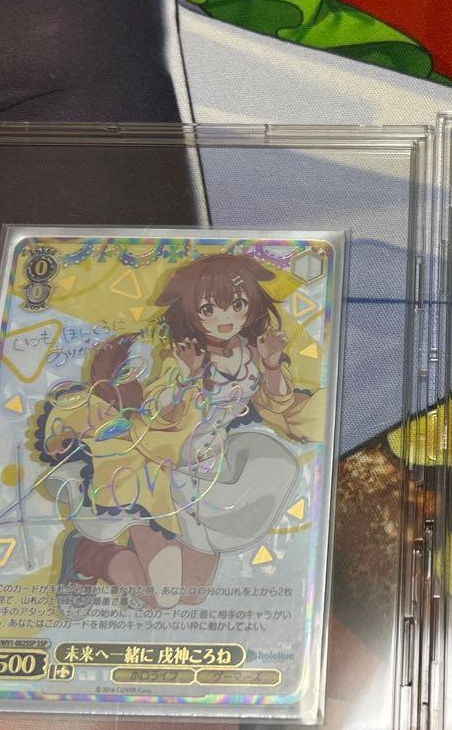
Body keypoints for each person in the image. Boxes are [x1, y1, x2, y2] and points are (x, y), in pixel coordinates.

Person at [33, 252, 324, 609]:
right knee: (163, 598)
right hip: (160, 471)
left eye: (236, 305)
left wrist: (273, 364)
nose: (224, 319)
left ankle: (118, 556)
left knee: (193, 594)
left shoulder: (253, 352)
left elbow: (276, 403)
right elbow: (158, 415)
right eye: (208, 310)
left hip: (210, 469)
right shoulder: (183, 355)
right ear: (190, 312)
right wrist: (185, 376)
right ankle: (89, 555)